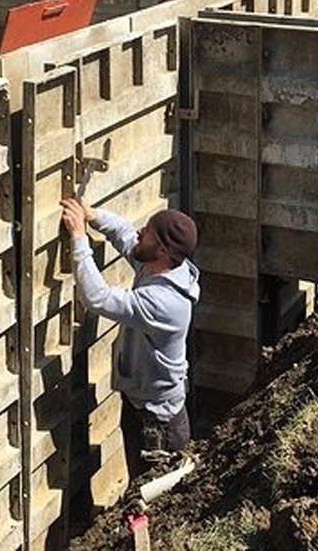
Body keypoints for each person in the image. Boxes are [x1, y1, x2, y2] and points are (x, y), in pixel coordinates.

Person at [60, 197, 200, 476]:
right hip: (143, 408)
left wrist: (78, 238)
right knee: (140, 497)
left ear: (161, 250)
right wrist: (93, 215)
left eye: (146, 231)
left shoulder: (164, 301)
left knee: (150, 502)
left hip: (158, 426)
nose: (139, 233)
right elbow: (124, 233)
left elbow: (98, 298)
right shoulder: (163, 266)